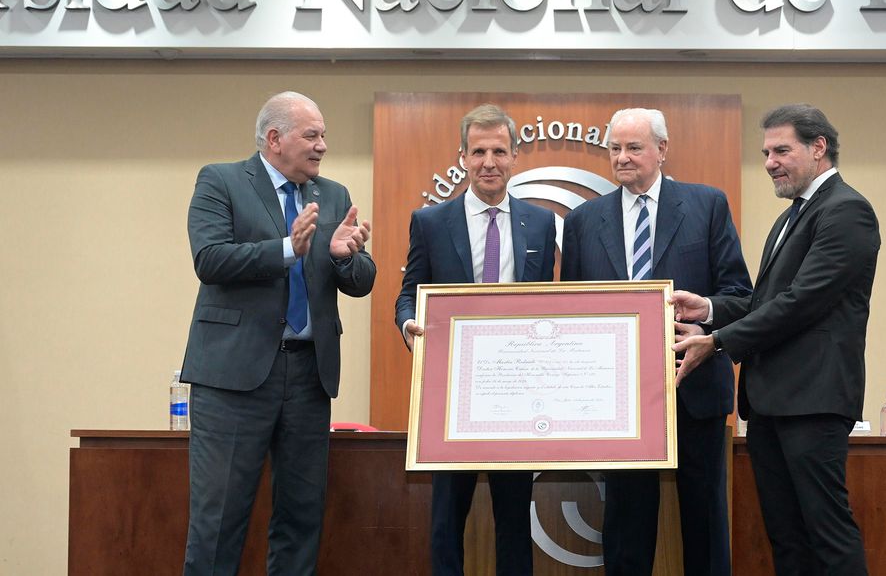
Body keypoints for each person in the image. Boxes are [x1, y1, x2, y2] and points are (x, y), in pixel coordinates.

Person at [672, 103, 879, 575]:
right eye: (766, 152)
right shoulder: (790, 217)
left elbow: (802, 302)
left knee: (827, 533)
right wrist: (707, 309)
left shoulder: (848, 211)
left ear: (819, 148)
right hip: (770, 407)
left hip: (813, 402)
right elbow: (767, 300)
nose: (770, 162)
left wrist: (718, 341)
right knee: (786, 539)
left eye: (781, 150)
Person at [180, 91, 376, 575]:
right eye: (312, 135)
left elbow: (362, 280)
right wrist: (288, 247)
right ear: (274, 139)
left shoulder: (332, 195)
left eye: (323, 135)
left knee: (301, 518)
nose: (322, 146)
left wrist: (343, 256)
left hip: (308, 377)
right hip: (233, 379)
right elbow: (210, 259)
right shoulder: (220, 181)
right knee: (219, 519)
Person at [560, 108, 752, 576]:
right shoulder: (584, 220)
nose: (622, 158)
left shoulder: (707, 205)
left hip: (696, 388)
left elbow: (740, 297)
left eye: (634, 148)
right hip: (617, 401)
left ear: (662, 150)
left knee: (705, 524)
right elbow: (573, 312)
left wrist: (704, 315)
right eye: (614, 149)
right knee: (626, 526)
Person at [395, 104, 556, 576]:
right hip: (452, 395)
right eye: (479, 151)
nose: (489, 161)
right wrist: (408, 326)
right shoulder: (429, 222)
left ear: (514, 157)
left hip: (517, 395)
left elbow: (547, 303)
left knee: (513, 516)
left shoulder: (541, 224)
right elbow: (409, 295)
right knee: (447, 516)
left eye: (499, 151)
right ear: (462, 156)